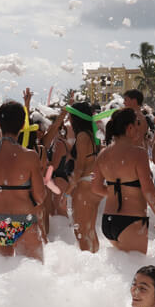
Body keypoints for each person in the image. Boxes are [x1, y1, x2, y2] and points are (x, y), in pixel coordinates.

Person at [92, 108, 155, 254]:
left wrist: (116, 191)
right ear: (130, 127)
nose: (139, 128)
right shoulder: (138, 153)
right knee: (135, 271)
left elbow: (95, 188)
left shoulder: (103, 154)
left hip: (108, 220)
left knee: (120, 272)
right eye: (137, 123)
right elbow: (148, 190)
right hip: (131, 220)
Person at [0, 100, 46, 260]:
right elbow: (40, 196)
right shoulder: (30, 156)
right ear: (23, 124)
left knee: (0, 275)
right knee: (34, 274)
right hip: (24, 219)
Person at [65, 102, 104, 252]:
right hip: (93, 185)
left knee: (81, 232)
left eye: (70, 115)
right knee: (90, 231)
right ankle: (94, 265)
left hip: (84, 187)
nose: (69, 117)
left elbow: (79, 167)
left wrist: (66, 192)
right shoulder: (93, 134)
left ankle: (87, 269)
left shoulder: (82, 136)